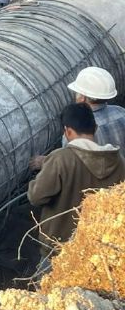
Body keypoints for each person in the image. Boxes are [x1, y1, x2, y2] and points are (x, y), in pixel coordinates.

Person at [27, 103, 125, 260]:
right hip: (101, 248)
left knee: (49, 282)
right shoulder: (118, 161)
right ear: (95, 128)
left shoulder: (60, 159)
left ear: (68, 131)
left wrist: (39, 176)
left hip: (59, 248)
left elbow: (36, 197)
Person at [30, 66, 125, 170]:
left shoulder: (78, 129)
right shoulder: (121, 112)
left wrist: (46, 161)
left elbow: (71, 166)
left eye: (77, 92)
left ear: (82, 98)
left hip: (98, 184)